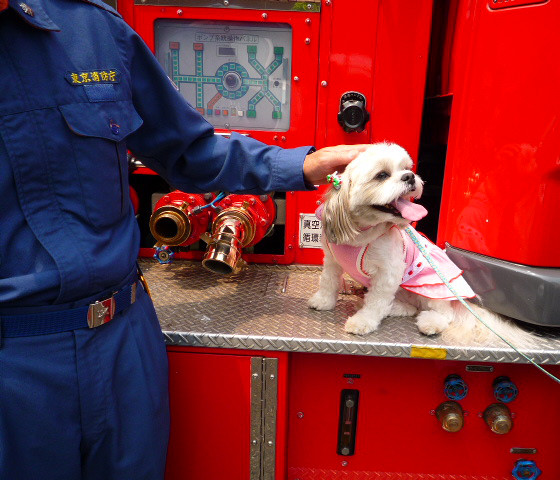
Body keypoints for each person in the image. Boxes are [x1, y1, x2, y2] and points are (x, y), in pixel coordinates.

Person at [0, 0, 365, 478]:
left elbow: (188, 149)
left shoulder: (89, 30)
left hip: (125, 341)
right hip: (17, 364)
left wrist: (301, 166)